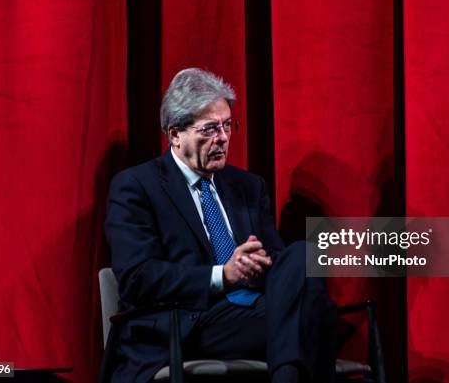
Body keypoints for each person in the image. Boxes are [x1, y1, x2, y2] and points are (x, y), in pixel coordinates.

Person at [105, 68, 337, 382]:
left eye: (228, 125)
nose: (224, 138)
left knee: (302, 256)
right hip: (187, 322)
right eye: (210, 129)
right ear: (175, 134)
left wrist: (260, 262)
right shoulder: (136, 186)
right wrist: (223, 275)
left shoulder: (247, 187)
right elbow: (138, 278)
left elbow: (279, 262)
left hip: (253, 310)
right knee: (310, 317)